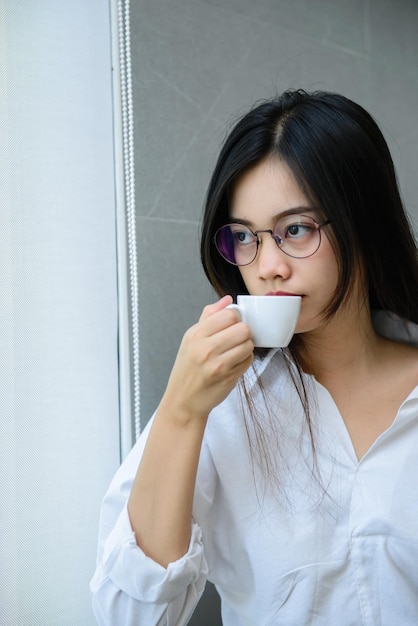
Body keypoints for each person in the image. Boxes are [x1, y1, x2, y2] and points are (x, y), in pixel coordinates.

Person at [90, 89, 418, 625]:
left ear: (364, 221)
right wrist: (182, 410)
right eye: (245, 237)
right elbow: (126, 616)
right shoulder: (219, 407)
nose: (267, 266)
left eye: (295, 230)